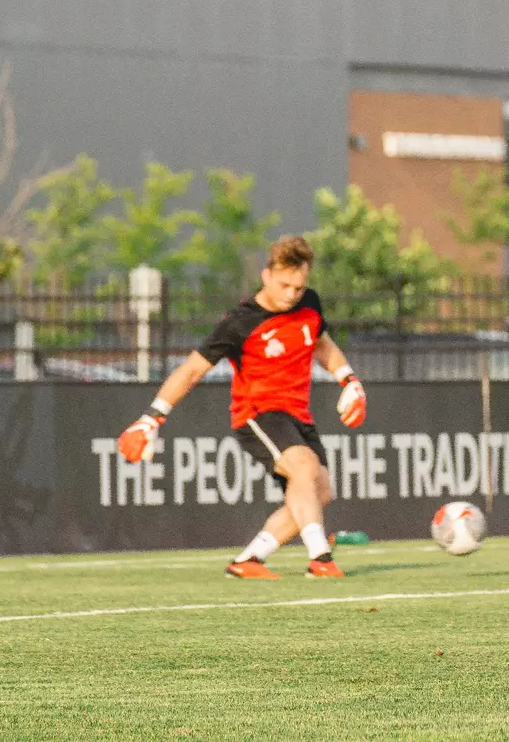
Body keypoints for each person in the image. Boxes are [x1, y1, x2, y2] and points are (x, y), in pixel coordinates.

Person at [117, 235, 368, 579]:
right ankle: (320, 557)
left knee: (320, 490)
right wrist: (153, 415)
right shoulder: (240, 321)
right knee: (303, 467)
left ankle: (249, 560)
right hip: (257, 413)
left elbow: (323, 345)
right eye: (285, 284)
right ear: (266, 276)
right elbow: (192, 369)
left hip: (298, 414)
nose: (292, 294)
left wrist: (349, 379)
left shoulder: (310, 304)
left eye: (299, 286)